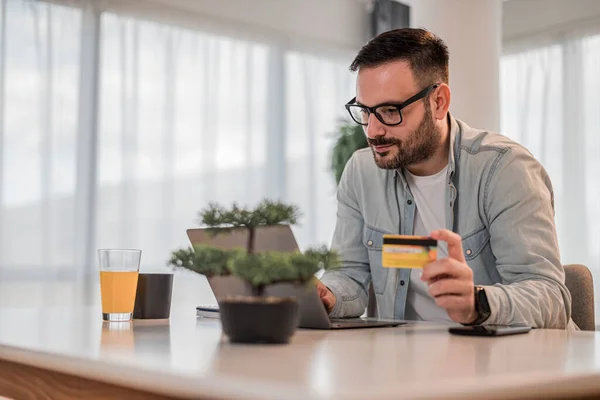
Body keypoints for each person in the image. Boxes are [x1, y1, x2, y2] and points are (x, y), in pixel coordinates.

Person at [317, 28, 573, 329]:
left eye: (390, 110)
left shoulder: (505, 169)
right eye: (365, 111)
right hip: (405, 363)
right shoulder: (362, 173)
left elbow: (551, 298)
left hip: (505, 363)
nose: (373, 131)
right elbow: (349, 275)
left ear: (438, 101)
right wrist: (327, 295)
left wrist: (477, 303)